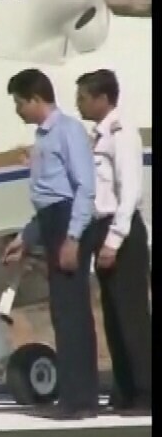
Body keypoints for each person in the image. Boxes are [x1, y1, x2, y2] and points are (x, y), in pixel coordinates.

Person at [2, 69, 99, 420]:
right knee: (62, 311)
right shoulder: (43, 138)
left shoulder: (68, 131)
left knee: (72, 312)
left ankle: (81, 398)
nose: (17, 110)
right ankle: (76, 396)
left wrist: (73, 237)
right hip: (50, 220)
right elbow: (45, 197)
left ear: (35, 99)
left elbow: (83, 188)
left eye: (19, 102)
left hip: (68, 220)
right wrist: (27, 238)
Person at [75, 69, 151, 415]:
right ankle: (124, 390)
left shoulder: (122, 135)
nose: (80, 103)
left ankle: (145, 391)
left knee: (132, 316)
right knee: (113, 316)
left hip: (123, 232)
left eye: (84, 97)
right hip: (104, 228)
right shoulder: (98, 136)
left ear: (103, 99)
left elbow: (130, 190)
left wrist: (115, 240)